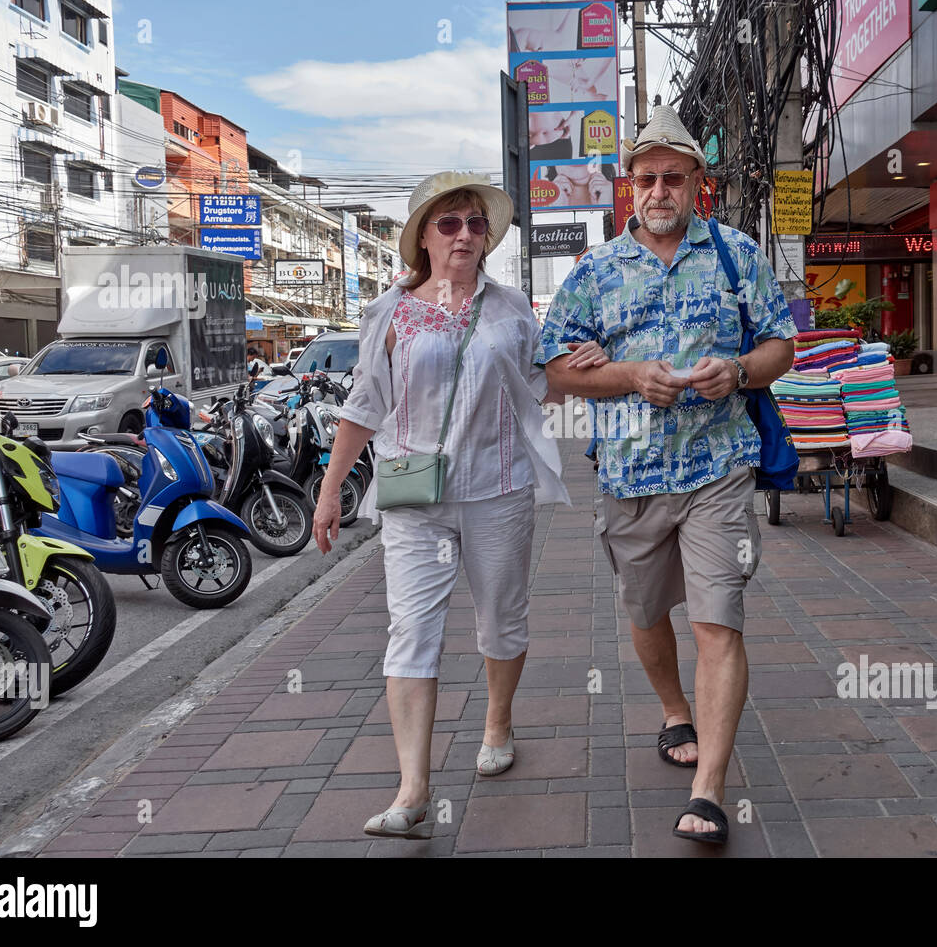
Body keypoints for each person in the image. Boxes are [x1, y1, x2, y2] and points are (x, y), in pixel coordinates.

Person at [310, 171, 605, 839]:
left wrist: (578, 368)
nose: (466, 234)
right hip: (416, 497)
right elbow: (365, 407)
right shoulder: (390, 311)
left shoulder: (512, 309)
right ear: (424, 237)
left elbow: (540, 387)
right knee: (412, 630)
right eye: (450, 223)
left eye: (476, 223)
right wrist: (330, 492)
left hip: (499, 489)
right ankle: (414, 787)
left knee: (502, 619)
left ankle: (498, 719)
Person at [538, 104, 796, 844]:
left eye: (672, 177)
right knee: (647, 614)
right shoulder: (594, 271)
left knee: (719, 620)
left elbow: (783, 345)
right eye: (646, 177)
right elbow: (555, 371)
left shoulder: (737, 255)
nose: (659, 190)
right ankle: (673, 709)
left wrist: (739, 370)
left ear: (696, 184)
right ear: (630, 187)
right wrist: (624, 374)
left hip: (719, 466)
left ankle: (709, 788)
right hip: (629, 476)